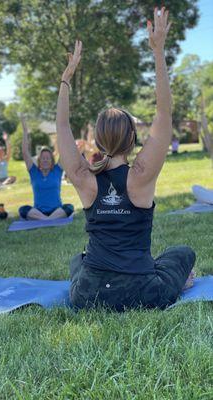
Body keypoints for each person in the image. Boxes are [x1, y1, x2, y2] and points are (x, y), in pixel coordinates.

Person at [56, 8, 195, 311]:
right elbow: (163, 112)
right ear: (132, 139)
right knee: (182, 253)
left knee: (78, 260)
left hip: (88, 295)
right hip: (141, 291)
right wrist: (158, 51)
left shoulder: (84, 177)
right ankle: (177, 279)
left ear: (97, 140)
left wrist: (66, 79)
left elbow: (63, 127)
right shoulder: (141, 175)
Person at [19, 115, 74, 220]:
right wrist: (25, 131)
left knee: (69, 207)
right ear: (39, 161)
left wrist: (64, 131)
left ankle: (45, 220)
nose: (45, 160)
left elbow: (65, 150)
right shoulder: (34, 171)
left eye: (48, 158)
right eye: (43, 158)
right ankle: (47, 219)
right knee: (23, 209)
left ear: (52, 161)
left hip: (56, 210)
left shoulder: (57, 170)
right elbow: (25, 152)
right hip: (38, 211)